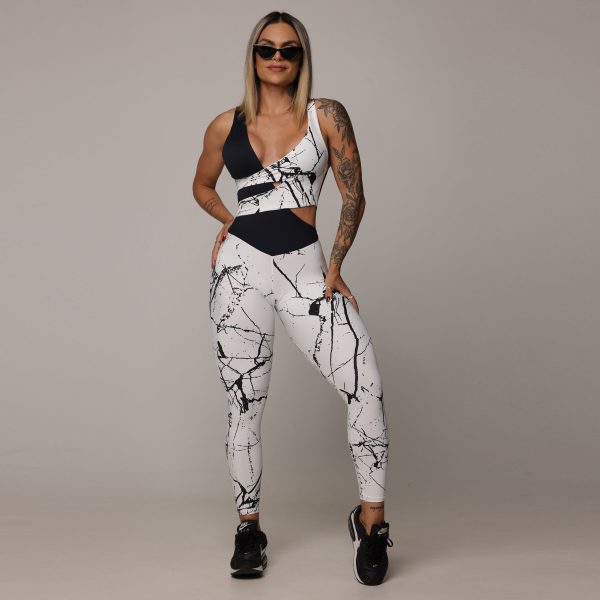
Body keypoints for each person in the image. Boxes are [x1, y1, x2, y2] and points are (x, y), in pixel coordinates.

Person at [192, 11, 393, 586]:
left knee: (365, 383)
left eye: (289, 49)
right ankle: (248, 530)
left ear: (302, 57)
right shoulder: (224, 124)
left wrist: (336, 264)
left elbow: (354, 196)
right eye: (266, 48)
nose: (277, 58)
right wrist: (229, 221)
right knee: (244, 406)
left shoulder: (325, 115)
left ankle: (371, 523)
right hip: (239, 274)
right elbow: (202, 185)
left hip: (306, 270)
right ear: (252, 56)